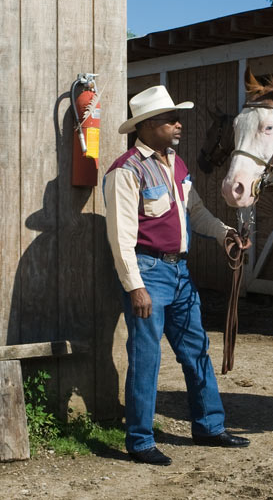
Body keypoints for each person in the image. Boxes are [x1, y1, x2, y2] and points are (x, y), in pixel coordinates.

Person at [104, 84, 251, 465]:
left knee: (195, 350)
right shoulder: (126, 171)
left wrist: (224, 234)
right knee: (146, 358)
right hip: (149, 271)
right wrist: (135, 287)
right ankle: (139, 441)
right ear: (148, 125)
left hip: (180, 272)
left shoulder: (177, 164)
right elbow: (120, 237)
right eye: (171, 119)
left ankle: (209, 427)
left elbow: (196, 211)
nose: (179, 124)